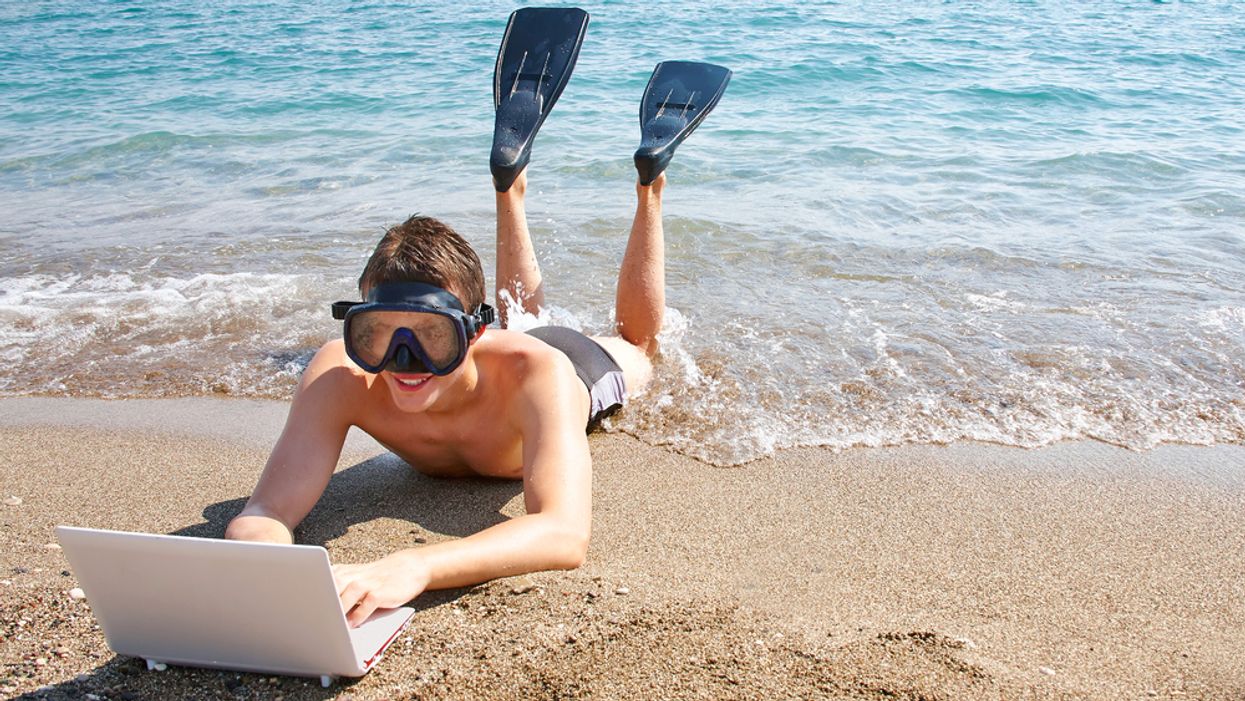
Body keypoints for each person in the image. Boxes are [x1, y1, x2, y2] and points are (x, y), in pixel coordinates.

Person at [226, 8, 731, 627]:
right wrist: (282, 576)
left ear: (471, 332)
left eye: (430, 336)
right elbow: (263, 512)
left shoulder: (539, 374)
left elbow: (562, 533)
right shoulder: (341, 376)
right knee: (521, 319)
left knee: (640, 346)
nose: (403, 362)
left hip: (566, 362)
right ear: (355, 327)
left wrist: (415, 565)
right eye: (378, 334)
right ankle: (508, 184)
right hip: (502, 353)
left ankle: (650, 186)